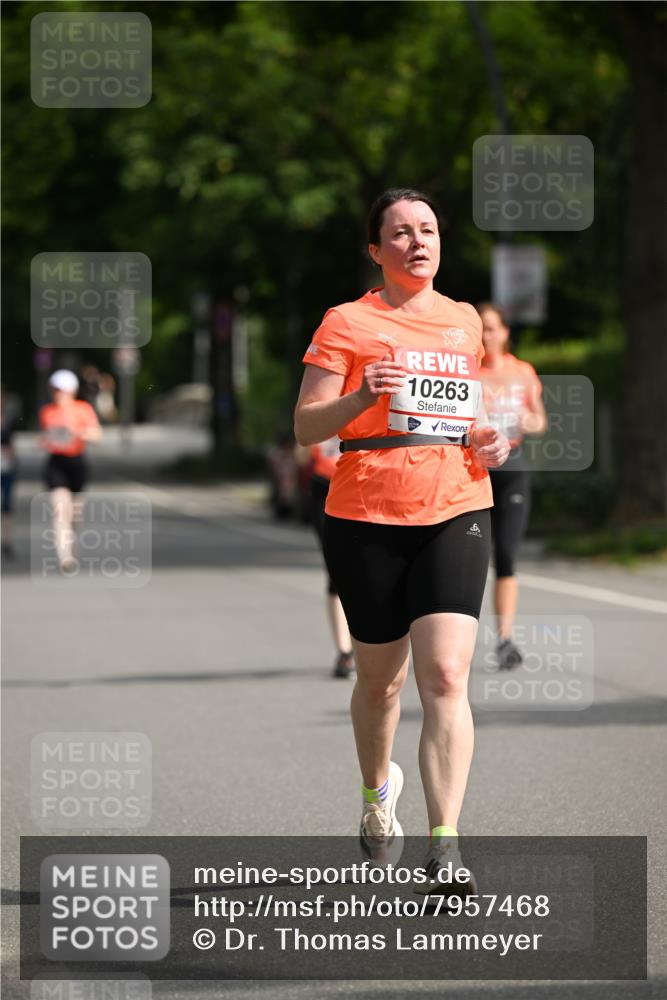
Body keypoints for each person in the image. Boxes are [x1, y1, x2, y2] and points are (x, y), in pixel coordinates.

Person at [294, 188, 510, 892]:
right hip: (367, 514)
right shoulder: (348, 322)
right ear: (375, 250)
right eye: (400, 232)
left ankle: (444, 847)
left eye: (428, 229)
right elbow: (306, 426)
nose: (417, 241)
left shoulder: (462, 321)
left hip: (456, 501)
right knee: (379, 683)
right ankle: (372, 793)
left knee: (446, 674)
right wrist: (361, 397)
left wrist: (485, 435)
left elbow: (467, 412)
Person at [477, 304, 547, 669]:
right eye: (481, 329)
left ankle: (504, 639)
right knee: (470, 556)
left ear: (505, 332)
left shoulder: (523, 372)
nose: (487, 336)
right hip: (474, 471)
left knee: (505, 553)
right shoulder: (467, 372)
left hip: (513, 470)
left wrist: (526, 419)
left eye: (492, 328)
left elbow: (539, 421)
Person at [296, 435, 355, 679]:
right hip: (325, 487)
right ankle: (345, 651)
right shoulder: (319, 401)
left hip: (363, 484)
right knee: (336, 571)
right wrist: (307, 440)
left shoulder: (367, 397)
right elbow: (301, 457)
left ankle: (371, 646)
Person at [38, 370, 102, 573]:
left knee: (74, 514)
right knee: (60, 511)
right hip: (56, 464)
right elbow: (46, 438)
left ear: (71, 391)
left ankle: (71, 546)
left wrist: (78, 432)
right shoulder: (47, 411)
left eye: (62, 390)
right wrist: (44, 441)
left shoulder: (83, 409)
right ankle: (65, 557)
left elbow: (97, 436)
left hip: (77, 463)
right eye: (56, 390)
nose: (59, 394)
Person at [1, 389, 18, 559]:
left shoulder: (9, 422)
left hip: (7, 468)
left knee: (7, 506)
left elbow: (12, 445)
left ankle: (6, 541)